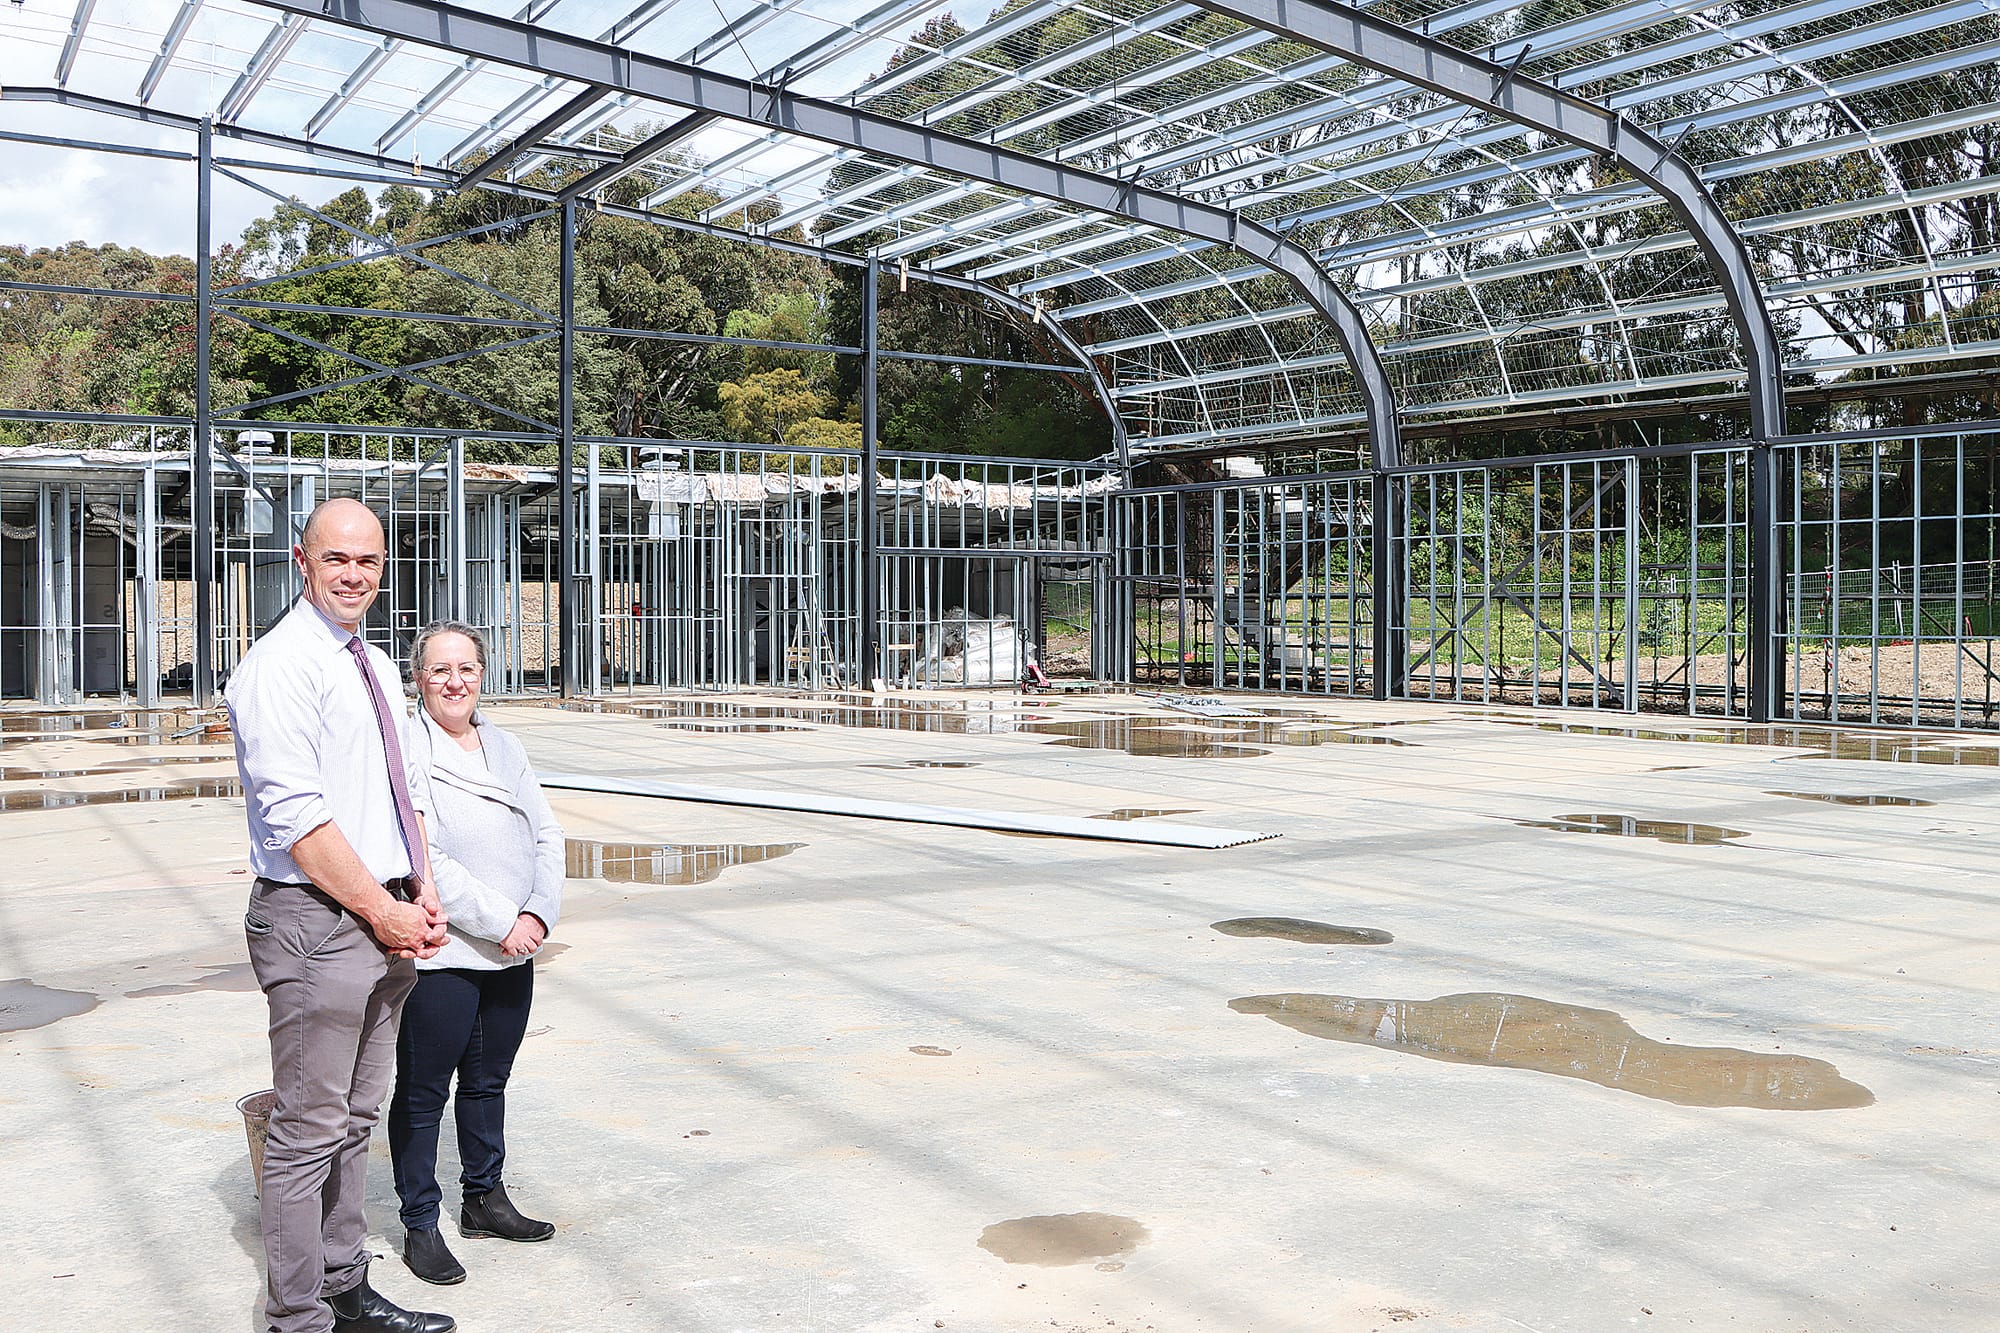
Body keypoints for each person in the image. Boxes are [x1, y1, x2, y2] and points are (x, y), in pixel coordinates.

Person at [227, 498, 456, 1333]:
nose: (353, 573)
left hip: (382, 908)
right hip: (316, 917)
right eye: (335, 559)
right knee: (307, 1127)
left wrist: (421, 884)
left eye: (367, 559)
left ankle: (345, 1283)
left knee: (357, 1116)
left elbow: (404, 788)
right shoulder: (280, 666)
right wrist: (380, 909)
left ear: (385, 562)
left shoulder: (369, 659)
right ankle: (298, 1316)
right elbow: (300, 819)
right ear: (301, 560)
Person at [389, 620, 564, 1287]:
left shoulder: (506, 744)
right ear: (419, 678)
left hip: (514, 948)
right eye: (440, 670)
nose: (455, 681)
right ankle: (421, 1221)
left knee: (489, 1082)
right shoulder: (409, 746)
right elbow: (423, 856)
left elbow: (547, 832)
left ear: (484, 673)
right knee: (425, 1090)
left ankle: (484, 1198)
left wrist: (537, 913)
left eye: (466, 667)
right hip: (447, 950)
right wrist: (500, 922)